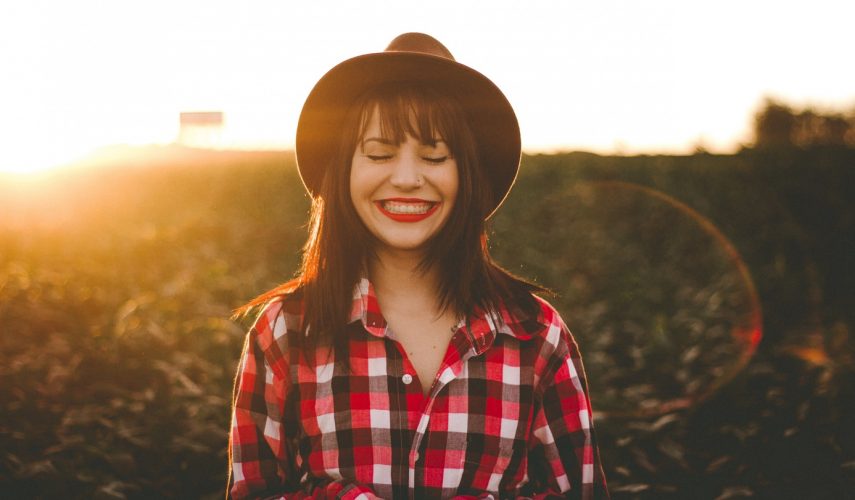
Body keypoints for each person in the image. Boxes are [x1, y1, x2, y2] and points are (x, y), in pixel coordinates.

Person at [228, 33, 608, 499]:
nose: (407, 179)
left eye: (434, 156)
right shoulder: (285, 333)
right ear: (343, 169)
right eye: (379, 154)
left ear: (467, 174)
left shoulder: (536, 336)